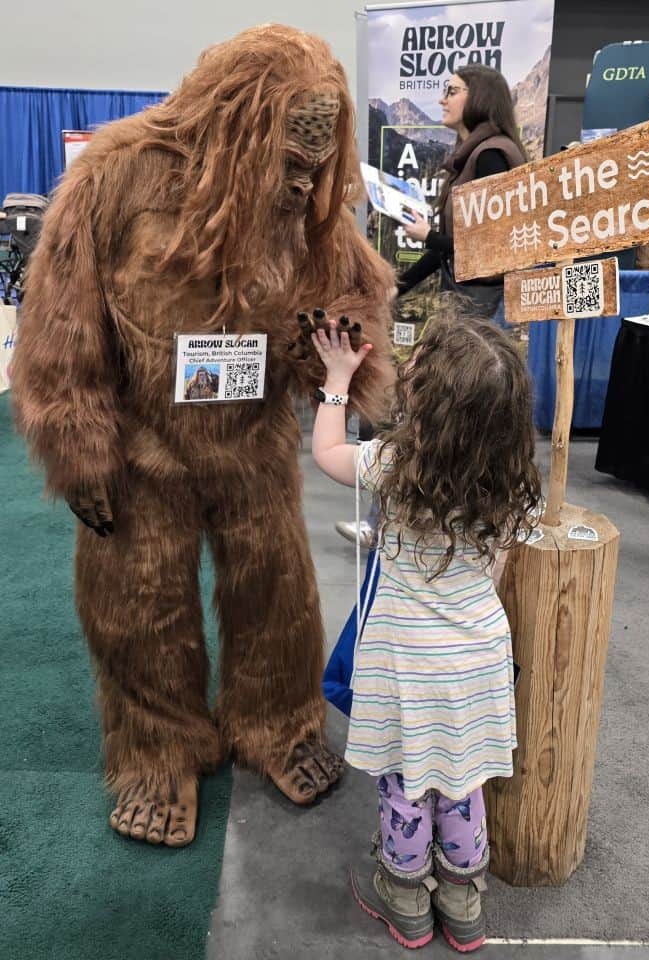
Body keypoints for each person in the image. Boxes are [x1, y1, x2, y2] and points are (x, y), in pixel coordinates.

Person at [11, 25, 395, 848]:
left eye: (314, 166)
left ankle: (278, 723)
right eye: (287, 163)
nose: (302, 185)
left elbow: (352, 288)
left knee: (278, 595)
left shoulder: (309, 203)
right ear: (233, 132)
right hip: (143, 449)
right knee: (137, 607)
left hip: (251, 442)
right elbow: (59, 322)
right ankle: (158, 748)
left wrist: (335, 352)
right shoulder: (117, 178)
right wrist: (78, 448)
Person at [310, 311, 541, 951]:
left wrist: (337, 379)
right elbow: (497, 565)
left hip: (405, 660)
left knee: (406, 781)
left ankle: (406, 895)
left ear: (428, 400)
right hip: (476, 659)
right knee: (461, 782)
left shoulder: (393, 464)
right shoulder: (515, 484)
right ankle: (464, 904)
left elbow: (327, 451)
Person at [398, 65, 528, 317]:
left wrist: (428, 237)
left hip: (485, 306)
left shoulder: (491, 156)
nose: (442, 99)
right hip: (473, 302)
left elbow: (491, 243)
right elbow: (451, 247)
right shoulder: (474, 153)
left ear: (479, 97)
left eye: (452, 91)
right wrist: (396, 287)